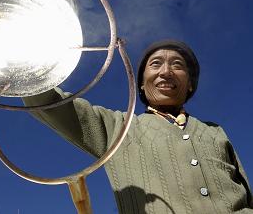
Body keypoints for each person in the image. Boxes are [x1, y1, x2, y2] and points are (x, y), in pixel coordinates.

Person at [23, 40, 252, 213]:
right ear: (141, 83)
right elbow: (49, 104)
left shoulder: (215, 132)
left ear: (190, 84)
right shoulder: (119, 128)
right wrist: (22, 60)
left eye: (177, 65)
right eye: (156, 64)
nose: (166, 71)